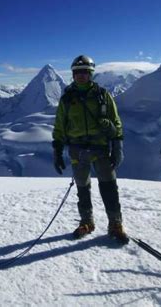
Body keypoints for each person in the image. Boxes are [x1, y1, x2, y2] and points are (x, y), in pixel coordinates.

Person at [52, 55, 128, 243]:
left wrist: (117, 145)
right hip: (77, 150)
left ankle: (115, 224)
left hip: (100, 148)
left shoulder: (103, 96)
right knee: (82, 188)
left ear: (90, 73)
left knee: (109, 187)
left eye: (84, 72)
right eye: (77, 72)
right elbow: (60, 125)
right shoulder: (67, 99)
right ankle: (87, 222)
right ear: (73, 74)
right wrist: (57, 150)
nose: (80, 75)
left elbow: (116, 121)